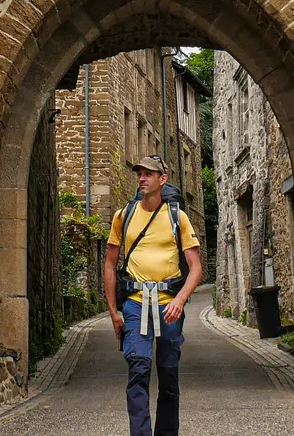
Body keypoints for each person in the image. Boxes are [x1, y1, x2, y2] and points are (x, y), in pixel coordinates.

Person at [103, 155, 204, 436]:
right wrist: (114, 312)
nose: (142, 178)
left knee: (169, 375)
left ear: (163, 179)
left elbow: (196, 268)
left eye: (149, 174)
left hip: (169, 304)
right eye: (139, 173)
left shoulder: (177, 217)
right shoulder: (124, 216)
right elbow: (110, 264)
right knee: (138, 369)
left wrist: (180, 300)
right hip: (135, 303)